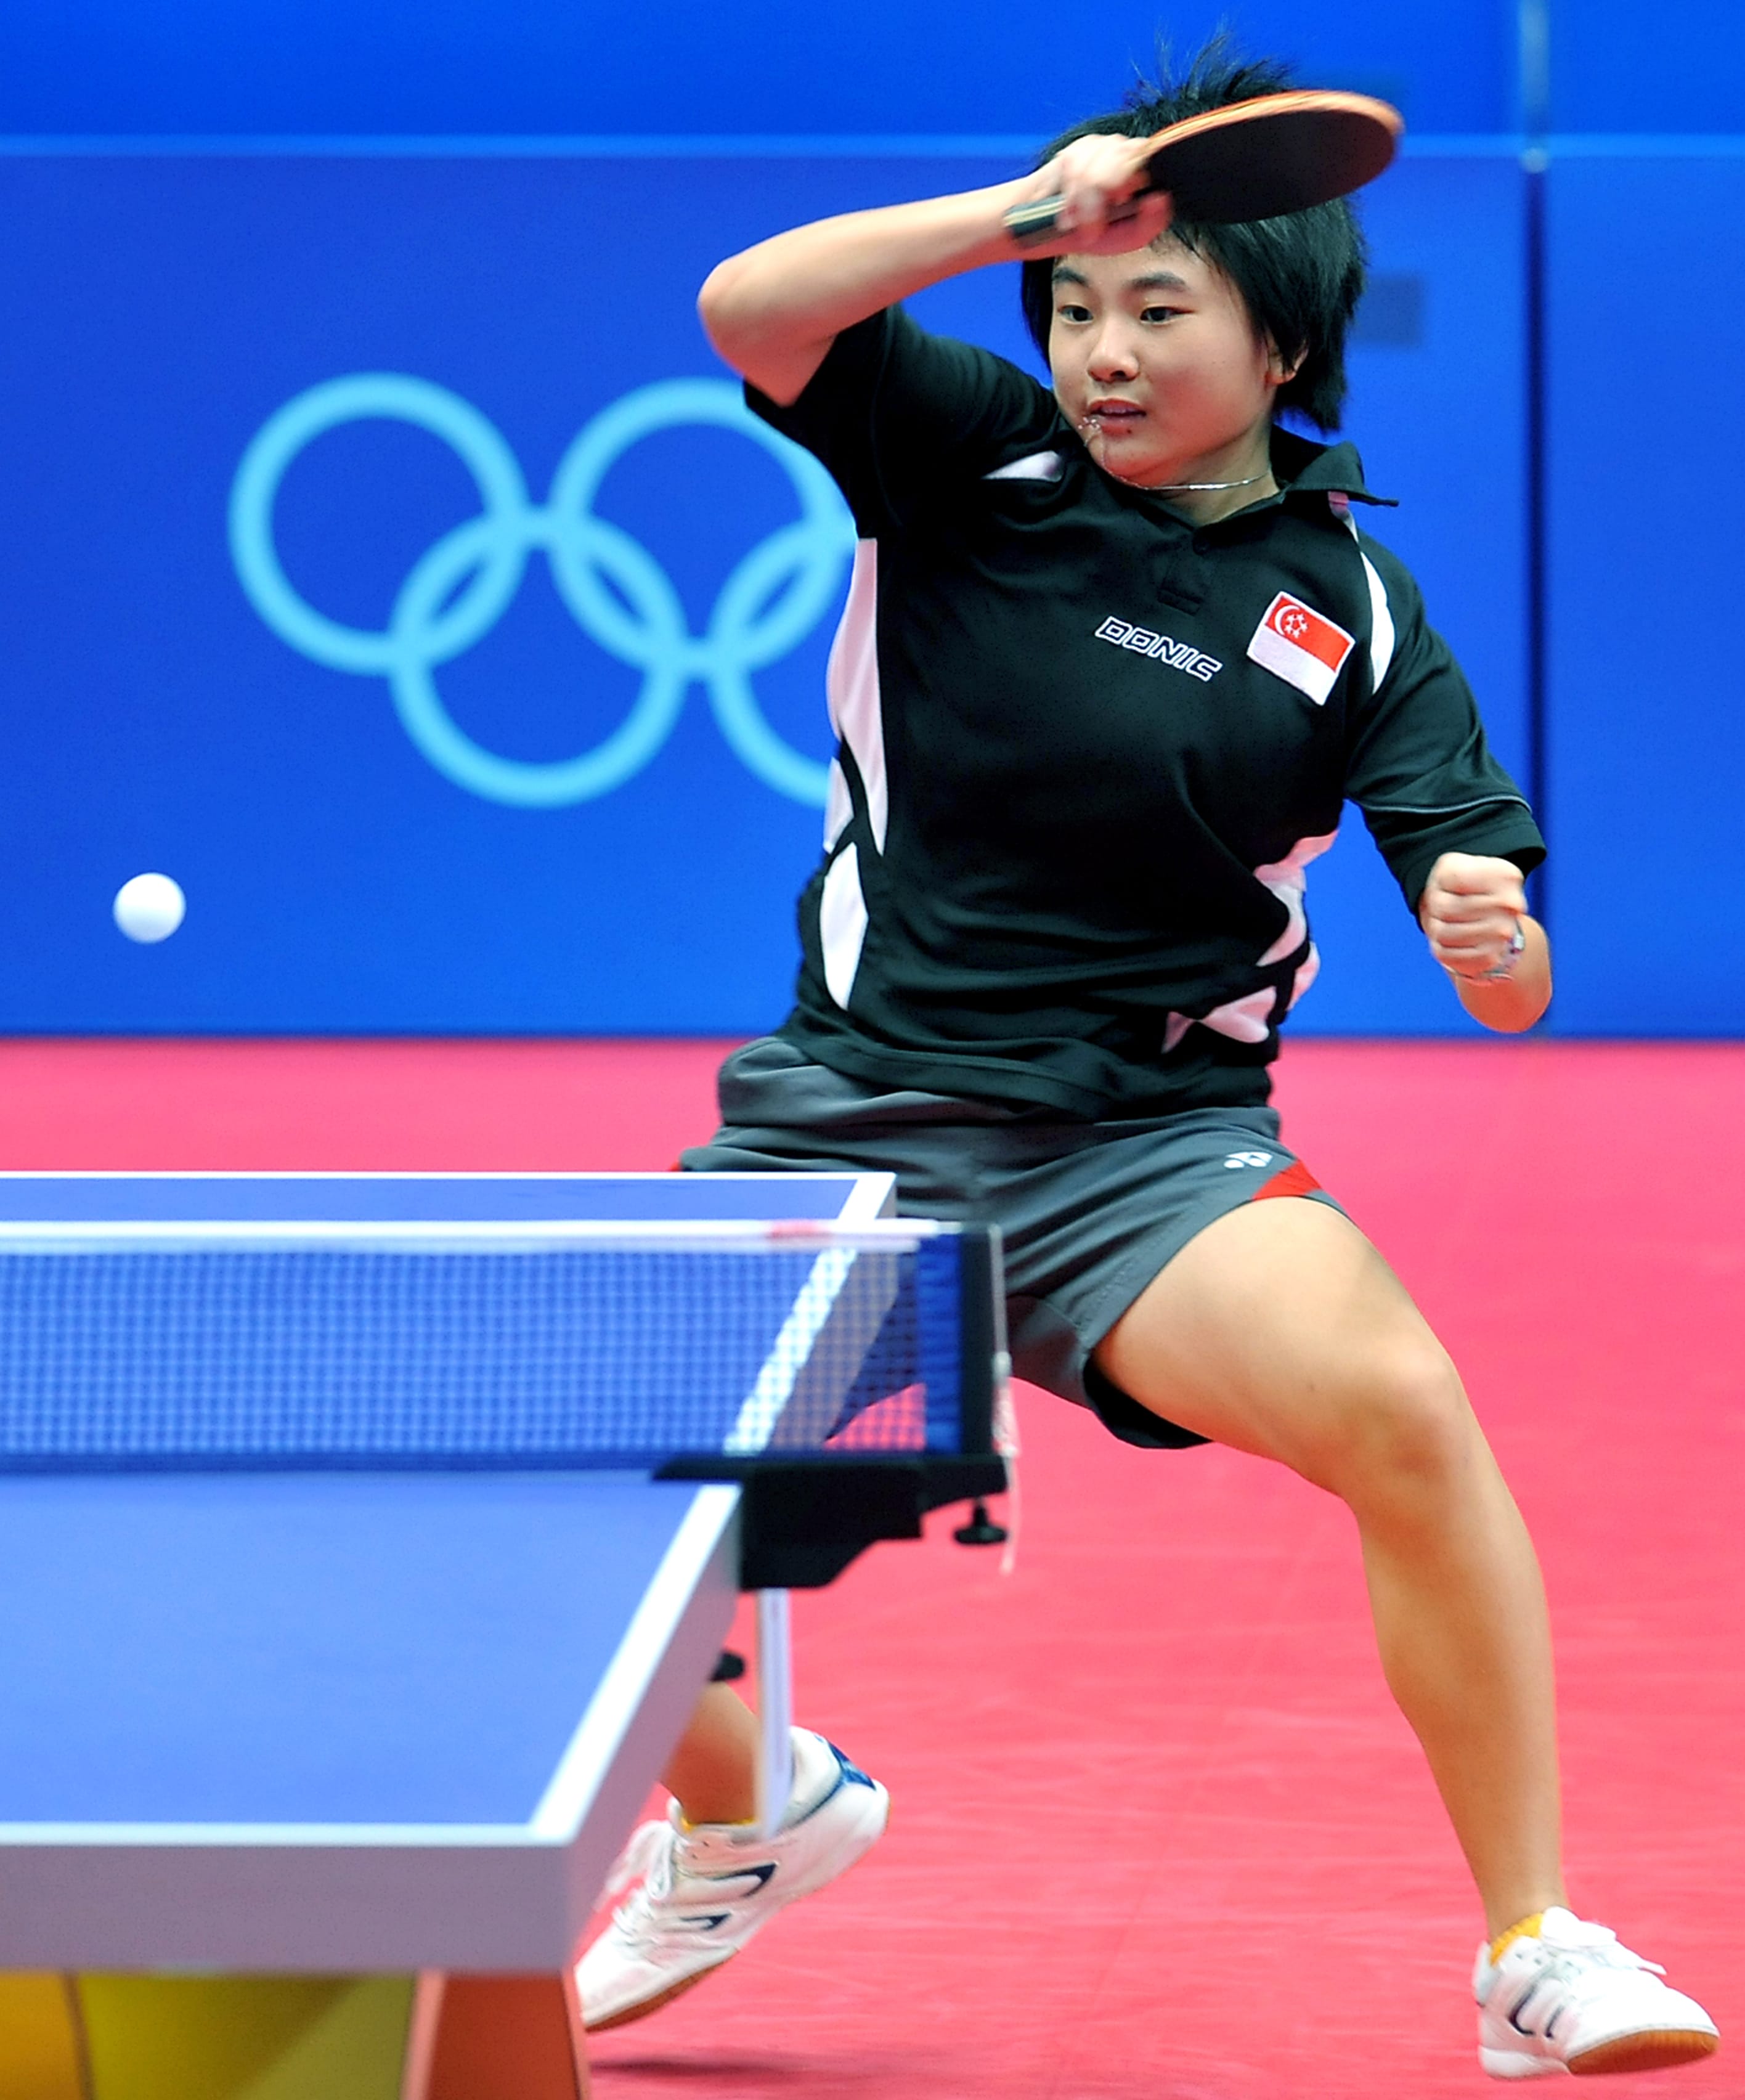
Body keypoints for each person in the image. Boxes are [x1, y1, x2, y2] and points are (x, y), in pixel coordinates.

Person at [576, 46, 1720, 2081]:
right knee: (554, 1463)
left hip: (1149, 1153)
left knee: (1404, 1414)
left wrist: (1492, 930)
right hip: (860, 1112)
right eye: (1081, 310)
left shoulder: (1349, 606)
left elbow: (1505, 956)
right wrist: (1031, 211)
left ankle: (1536, 1944)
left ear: (1283, 340)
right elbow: (751, 309)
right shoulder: (966, 460)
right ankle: (750, 1806)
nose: (1104, 352)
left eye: (1158, 309)